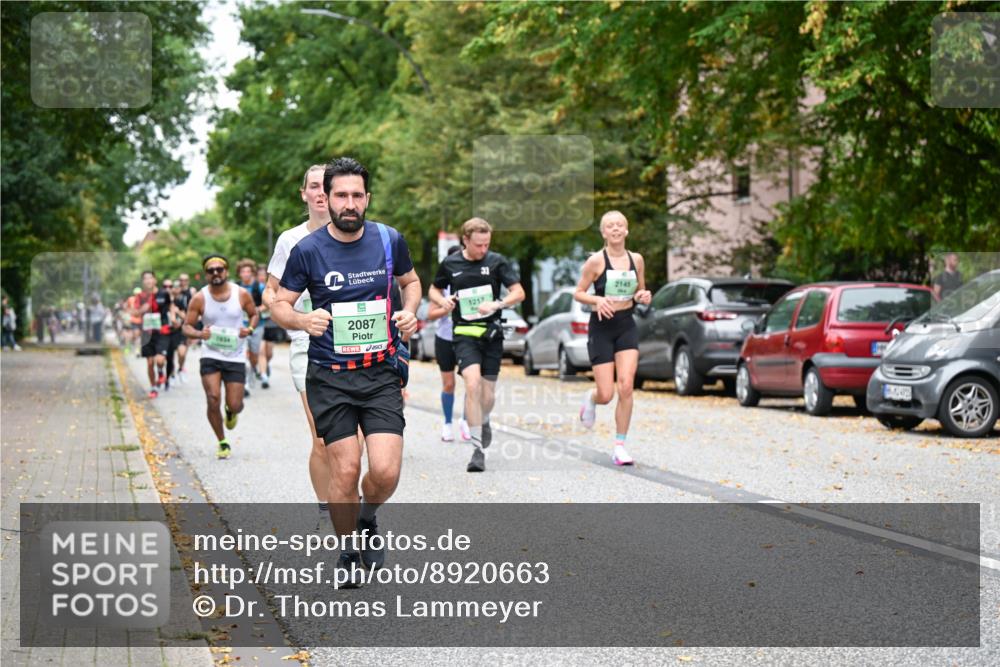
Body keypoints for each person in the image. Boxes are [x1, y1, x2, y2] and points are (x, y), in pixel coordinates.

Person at [271, 157, 421, 586]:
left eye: (357, 195)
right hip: (330, 376)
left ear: (367, 198)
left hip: (379, 374)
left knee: (387, 472)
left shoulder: (390, 240)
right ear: (327, 198)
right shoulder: (308, 250)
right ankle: (349, 550)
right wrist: (302, 320)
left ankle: (367, 516)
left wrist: (410, 312)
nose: (350, 203)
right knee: (344, 469)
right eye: (341, 195)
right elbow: (280, 304)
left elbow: (411, 282)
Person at [264, 164, 333, 528]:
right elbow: (271, 292)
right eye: (314, 186)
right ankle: (327, 511)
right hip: (308, 342)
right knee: (323, 436)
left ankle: (348, 505)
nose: (321, 192)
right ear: (303, 194)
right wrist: (287, 311)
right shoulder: (290, 240)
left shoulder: (357, 235)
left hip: (353, 345)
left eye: (327, 186)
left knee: (351, 441)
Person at [429, 218, 526, 473]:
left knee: (488, 395)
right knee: (472, 384)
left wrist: (498, 304)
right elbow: (433, 290)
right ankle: (477, 450)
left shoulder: (496, 262)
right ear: (465, 240)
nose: (483, 250)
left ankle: (483, 420)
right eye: (478, 245)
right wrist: (444, 301)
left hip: (491, 335)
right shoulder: (451, 263)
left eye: (486, 245)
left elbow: (519, 292)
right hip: (463, 334)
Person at [574, 211, 652, 466]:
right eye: (610, 226)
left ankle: (620, 445)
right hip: (601, 328)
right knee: (607, 394)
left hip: (626, 324)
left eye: (620, 225)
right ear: (604, 233)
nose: (616, 229)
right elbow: (578, 293)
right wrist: (597, 300)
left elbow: (640, 289)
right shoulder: (596, 262)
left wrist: (643, 296)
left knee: (627, 385)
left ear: (626, 231)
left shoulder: (636, 259)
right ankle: (592, 398)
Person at [182, 255, 258, 459]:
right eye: (211, 270)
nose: (215, 273)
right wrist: (200, 334)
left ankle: (231, 412)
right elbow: (186, 326)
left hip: (235, 355)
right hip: (211, 354)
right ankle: (222, 441)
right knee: (213, 397)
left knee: (235, 404)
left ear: (226, 271)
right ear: (206, 274)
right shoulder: (199, 297)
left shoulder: (240, 293)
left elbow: (254, 313)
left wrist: (249, 329)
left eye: (219, 269)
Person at [426, 245, 471, 442]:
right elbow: (430, 314)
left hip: (467, 337)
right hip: (445, 338)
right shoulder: (442, 286)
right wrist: (447, 306)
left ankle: (466, 420)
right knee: (449, 384)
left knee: (472, 382)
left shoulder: (472, 282)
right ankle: (447, 423)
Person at [134, 270, 174, 398]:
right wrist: (142, 309)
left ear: (155, 280)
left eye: (150, 278)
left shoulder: (164, 294)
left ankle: (161, 371)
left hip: (162, 332)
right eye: (145, 278)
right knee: (150, 362)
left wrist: (172, 317)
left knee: (160, 359)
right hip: (147, 333)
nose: (148, 280)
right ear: (143, 281)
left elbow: (171, 306)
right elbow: (134, 313)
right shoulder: (140, 297)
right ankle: (153, 387)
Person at [237, 259, 265, 395]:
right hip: (240, 327)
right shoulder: (236, 288)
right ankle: (246, 384)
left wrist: (257, 310)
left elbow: (268, 304)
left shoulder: (259, 287)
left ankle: (254, 369)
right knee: (243, 355)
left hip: (257, 326)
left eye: (248, 271)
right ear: (239, 274)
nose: (246, 274)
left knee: (254, 355)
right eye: (243, 272)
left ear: (252, 273)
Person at [257, 265, 277, 387]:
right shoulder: (254, 287)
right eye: (259, 275)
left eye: (263, 275)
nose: (261, 277)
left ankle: (266, 365)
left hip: (271, 323)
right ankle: (263, 375)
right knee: (261, 351)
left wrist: (261, 308)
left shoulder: (272, 287)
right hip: (259, 323)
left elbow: (273, 302)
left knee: (269, 352)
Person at [171, 277, 193, 384]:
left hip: (182, 330)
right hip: (169, 331)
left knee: (182, 353)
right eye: (173, 287)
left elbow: (189, 316)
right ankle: (171, 374)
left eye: (177, 287)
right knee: (169, 355)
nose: (175, 289)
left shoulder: (187, 296)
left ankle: (181, 369)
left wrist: (178, 314)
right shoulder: (169, 299)